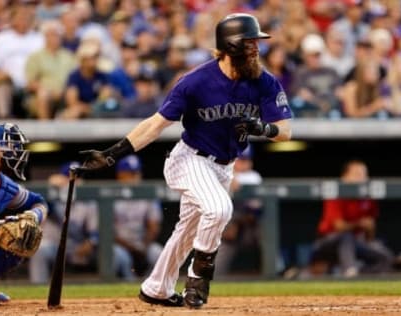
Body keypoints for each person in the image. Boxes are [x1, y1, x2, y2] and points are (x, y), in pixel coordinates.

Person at [79, 13, 292, 309]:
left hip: (223, 166)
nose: (257, 48)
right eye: (250, 42)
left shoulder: (264, 81)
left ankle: (156, 288)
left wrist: (262, 128)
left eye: (257, 42)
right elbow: (155, 124)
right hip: (189, 159)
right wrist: (113, 153)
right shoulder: (196, 81)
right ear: (230, 45)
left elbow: (285, 131)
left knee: (187, 233)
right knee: (219, 209)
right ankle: (198, 278)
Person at [0, 123, 47, 304]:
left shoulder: (5, 186)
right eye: (6, 147)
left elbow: (40, 203)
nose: (14, 153)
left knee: (20, 237)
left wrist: (33, 216)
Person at [311, 160, 393, 278]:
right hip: (327, 242)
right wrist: (360, 224)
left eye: (364, 175)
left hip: (356, 242)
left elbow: (369, 235)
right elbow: (339, 227)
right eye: (357, 174)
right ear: (345, 177)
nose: (362, 178)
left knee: (385, 256)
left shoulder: (368, 197)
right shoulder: (336, 192)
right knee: (346, 236)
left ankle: (357, 274)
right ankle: (350, 271)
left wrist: (369, 230)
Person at [28, 161, 100, 284]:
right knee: (40, 251)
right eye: (70, 177)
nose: (75, 181)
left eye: (78, 177)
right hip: (54, 245)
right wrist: (49, 188)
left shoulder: (88, 202)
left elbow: (95, 232)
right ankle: (38, 288)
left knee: (116, 255)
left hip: (77, 247)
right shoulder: (51, 197)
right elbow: (36, 202)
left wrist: (90, 243)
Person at [113, 155, 163, 280]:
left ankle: (150, 284)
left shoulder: (147, 195)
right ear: (120, 175)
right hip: (120, 244)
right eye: (130, 173)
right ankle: (127, 283)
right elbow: (108, 231)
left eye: (137, 173)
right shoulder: (111, 194)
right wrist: (131, 248)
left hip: (141, 243)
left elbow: (154, 226)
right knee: (118, 255)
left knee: (158, 253)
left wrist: (143, 246)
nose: (135, 177)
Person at [215, 145, 263, 277]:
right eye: (240, 160)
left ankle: (277, 272)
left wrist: (236, 223)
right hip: (229, 228)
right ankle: (215, 278)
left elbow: (254, 211)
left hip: (250, 227)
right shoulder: (222, 172)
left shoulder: (253, 176)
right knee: (217, 265)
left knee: (267, 236)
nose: (243, 164)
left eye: (246, 160)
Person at [25, 19, 77, 119]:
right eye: (51, 34)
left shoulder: (68, 56)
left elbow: (75, 76)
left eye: (57, 35)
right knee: (43, 95)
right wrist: (49, 90)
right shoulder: (36, 56)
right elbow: (31, 82)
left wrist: (66, 91)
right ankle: (45, 132)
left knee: (73, 94)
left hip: (66, 93)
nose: (55, 38)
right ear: (45, 36)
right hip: (45, 94)